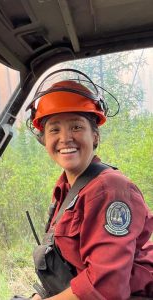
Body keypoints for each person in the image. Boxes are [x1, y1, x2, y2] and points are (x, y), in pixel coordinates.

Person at [26, 69, 153, 300]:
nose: (65, 138)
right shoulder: (67, 189)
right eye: (54, 129)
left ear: (94, 136)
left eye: (76, 127)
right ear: (44, 138)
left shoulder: (110, 190)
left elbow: (106, 288)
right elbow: (68, 267)